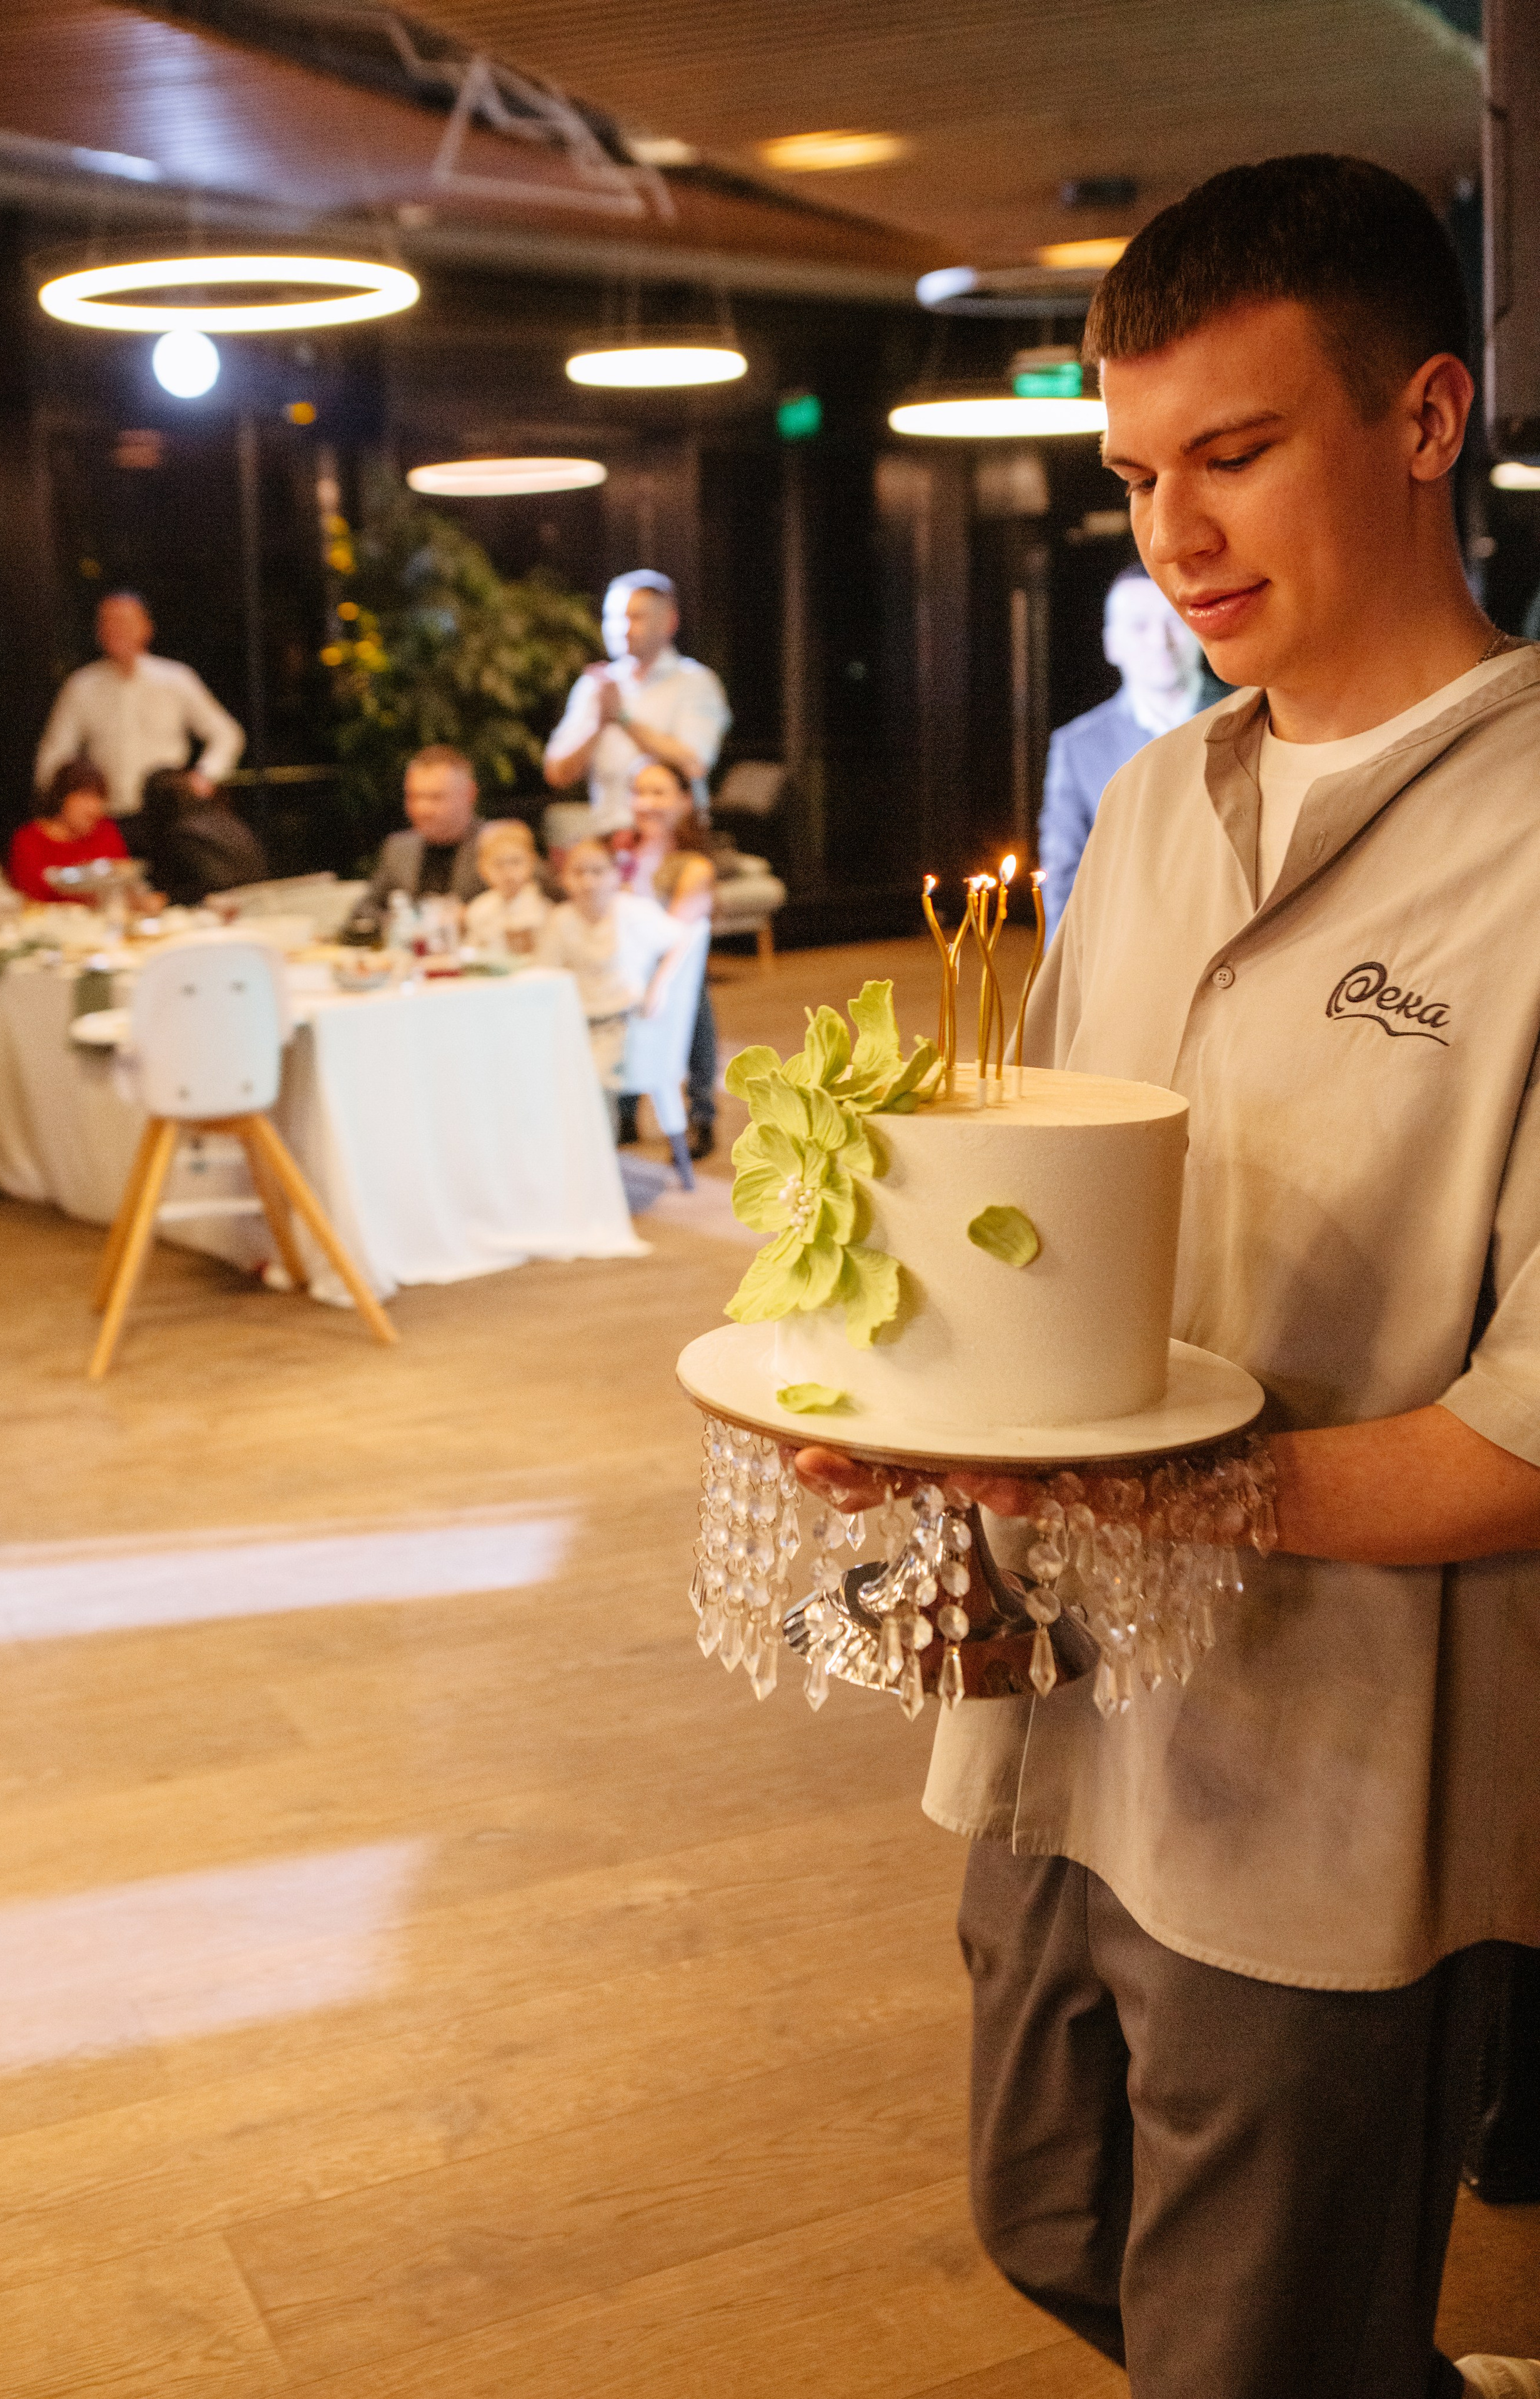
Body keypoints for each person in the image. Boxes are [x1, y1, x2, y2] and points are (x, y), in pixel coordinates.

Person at [796, 154, 1540, 2399]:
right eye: (1133, 474)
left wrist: (1170, 1499)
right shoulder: (1140, 807)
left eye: (1231, 455)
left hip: (1333, 1805)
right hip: (1052, 1723)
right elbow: (1035, 1239)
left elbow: (1525, 1438)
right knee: (1050, 2232)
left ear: (1421, 421)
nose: (1170, 537)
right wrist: (919, 1439)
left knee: (1252, 2354)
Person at [1038, 562, 1211, 932]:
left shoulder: (1257, 715)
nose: (1159, 640)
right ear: (1112, 644)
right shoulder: (1078, 747)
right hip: (1128, 946)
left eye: (1174, 621)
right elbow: (1064, 875)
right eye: (1139, 626)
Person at [542, 570, 732, 832]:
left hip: (672, 843)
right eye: (613, 618)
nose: (620, 628)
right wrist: (598, 725)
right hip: (610, 842)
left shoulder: (696, 682)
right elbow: (557, 774)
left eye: (634, 617)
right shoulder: (596, 685)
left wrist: (623, 719)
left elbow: (693, 763)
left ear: (669, 621)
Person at [34, 592, 244, 820]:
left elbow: (227, 734)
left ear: (147, 628)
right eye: (107, 622)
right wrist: (63, 802)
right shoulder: (82, 686)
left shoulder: (176, 678)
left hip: (170, 814)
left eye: (125, 621)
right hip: (106, 818)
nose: (116, 629)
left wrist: (205, 776)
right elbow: (54, 754)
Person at [612, 757, 718, 1151]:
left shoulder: (692, 866)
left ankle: (701, 1111)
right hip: (621, 966)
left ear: (684, 801)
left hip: (668, 966)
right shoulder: (620, 854)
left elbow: (680, 938)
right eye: (639, 792)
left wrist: (658, 984)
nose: (646, 803)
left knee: (690, 994)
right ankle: (620, 1108)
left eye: (658, 793)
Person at [539, 837, 688, 1104]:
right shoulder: (560, 919)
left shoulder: (633, 912)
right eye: (578, 873)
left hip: (626, 1023)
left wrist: (660, 985)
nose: (588, 882)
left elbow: (683, 940)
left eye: (597, 872)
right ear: (564, 879)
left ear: (616, 875)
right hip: (579, 1025)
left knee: (584, 1080)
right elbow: (546, 973)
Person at [346, 746, 485, 939]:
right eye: (414, 797)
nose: (422, 809)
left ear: (469, 795)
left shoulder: (497, 843)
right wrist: (401, 927)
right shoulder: (400, 848)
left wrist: (471, 917)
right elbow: (363, 910)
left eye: (435, 797)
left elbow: (531, 904)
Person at [134, 769, 267, 907]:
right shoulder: (220, 817)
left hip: (231, 906)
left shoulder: (182, 832)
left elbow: (211, 885)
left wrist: (166, 898)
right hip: (256, 898)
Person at [7, 760, 131, 903]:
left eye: (99, 797)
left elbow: (124, 884)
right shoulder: (29, 839)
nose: (94, 809)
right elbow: (27, 897)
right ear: (61, 798)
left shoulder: (106, 831)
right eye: (84, 796)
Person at [463, 819, 552, 959]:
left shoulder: (544, 906)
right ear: (482, 868)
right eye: (498, 864)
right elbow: (471, 952)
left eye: (516, 862)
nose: (508, 872)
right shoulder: (479, 909)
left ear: (532, 862)